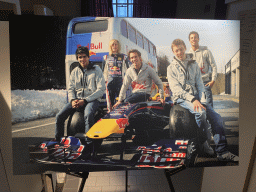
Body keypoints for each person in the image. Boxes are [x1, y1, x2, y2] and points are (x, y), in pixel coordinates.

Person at [167, 39, 238, 161]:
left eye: (181, 49)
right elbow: (176, 90)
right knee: (200, 112)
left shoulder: (194, 64)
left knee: (217, 118)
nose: (179, 52)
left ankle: (223, 152)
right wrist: (193, 99)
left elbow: (200, 85)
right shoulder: (170, 68)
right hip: (182, 99)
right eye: (176, 50)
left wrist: (202, 100)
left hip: (197, 98)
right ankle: (204, 142)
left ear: (185, 48)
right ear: (173, 52)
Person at [55, 46, 105, 141]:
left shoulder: (96, 69)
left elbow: (101, 89)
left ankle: (89, 143)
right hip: (77, 100)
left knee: (88, 114)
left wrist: (85, 100)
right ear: (77, 58)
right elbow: (70, 89)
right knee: (59, 116)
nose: (82, 59)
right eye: (80, 57)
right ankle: (59, 141)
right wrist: (73, 100)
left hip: (92, 100)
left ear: (88, 57)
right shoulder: (74, 72)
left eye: (84, 56)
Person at [188, 31, 217, 107]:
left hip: (205, 83)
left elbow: (214, 66)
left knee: (209, 108)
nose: (193, 39)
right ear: (189, 40)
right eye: (191, 38)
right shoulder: (187, 55)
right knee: (196, 109)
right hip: (193, 86)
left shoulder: (206, 52)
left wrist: (213, 80)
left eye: (195, 37)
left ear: (198, 39)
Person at [103, 39, 130, 112]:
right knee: (110, 104)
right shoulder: (106, 57)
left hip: (120, 82)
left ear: (118, 46)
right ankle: (109, 115)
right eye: (113, 44)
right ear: (110, 46)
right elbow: (104, 72)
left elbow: (129, 70)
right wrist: (105, 81)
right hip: (110, 83)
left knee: (121, 102)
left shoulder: (124, 57)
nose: (114, 46)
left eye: (116, 44)